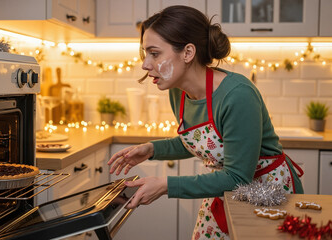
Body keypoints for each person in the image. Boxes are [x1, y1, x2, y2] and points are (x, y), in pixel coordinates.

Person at [107, 5, 304, 240]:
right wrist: (151, 150)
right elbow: (203, 143)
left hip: (267, 191)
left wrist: (166, 184)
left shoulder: (237, 95)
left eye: (155, 53)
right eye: (145, 53)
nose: (145, 64)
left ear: (188, 53)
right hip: (222, 188)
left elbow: (238, 176)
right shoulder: (178, 92)